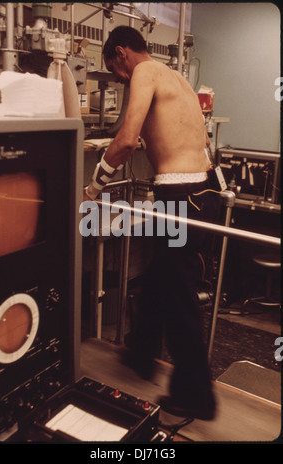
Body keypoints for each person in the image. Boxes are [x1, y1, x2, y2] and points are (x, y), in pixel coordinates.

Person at [83, 26, 221, 420]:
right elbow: (180, 136)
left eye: (115, 70)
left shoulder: (143, 72)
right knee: (161, 277)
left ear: (122, 53)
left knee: (178, 297)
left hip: (179, 196)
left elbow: (126, 140)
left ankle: (197, 396)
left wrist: (92, 189)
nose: (120, 79)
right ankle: (141, 352)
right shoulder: (175, 75)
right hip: (203, 190)